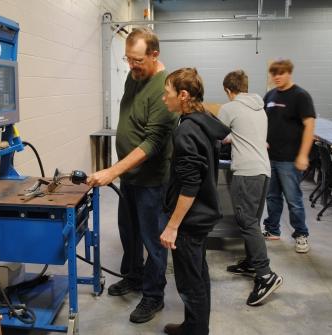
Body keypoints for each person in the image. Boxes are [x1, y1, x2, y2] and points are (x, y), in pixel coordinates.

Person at [87, 27, 178, 323]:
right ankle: (133, 276)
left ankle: (153, 296)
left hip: (152, 180)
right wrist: (121, 171)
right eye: (128, 59)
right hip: (130, 177)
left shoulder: (166, 88)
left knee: (153, 240)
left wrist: (112, 171)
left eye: (137, 60)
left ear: (154, 55)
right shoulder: (134, 76)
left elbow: (152, 143)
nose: (131, 66)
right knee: (129, 232)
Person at [160, 68, 230, 335]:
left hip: (190, 220)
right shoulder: (203, 119)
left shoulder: (187, 130)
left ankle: (197, 331)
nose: (164, 98)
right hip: (202, 214)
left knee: (190, 282)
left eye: (167, 93)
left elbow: (191, 184)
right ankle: (194, 325)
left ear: (184, 95)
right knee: (197, 275)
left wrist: (172, 225)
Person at [217, 70, 283, 306]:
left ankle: (265, 275)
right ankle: (250, 262)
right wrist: (233, 137)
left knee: (247, 222)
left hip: (246, 173)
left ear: (228, 90)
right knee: (252, 221)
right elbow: (247, 134)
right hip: (263, 170)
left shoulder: (230, 108)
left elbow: (216, 133)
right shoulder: (259, 108)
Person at [262, 59, 316, 253]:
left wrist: (303, 155)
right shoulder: (269, 95)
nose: (277, 77)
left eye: (281, 73)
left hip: (290, 159)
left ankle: (301, 234)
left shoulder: (300, 96)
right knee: (272, 197)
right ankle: (272, 229)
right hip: (270, 156)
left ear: (289, 73)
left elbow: (309, 125)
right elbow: (263, 121)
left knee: (293, 199)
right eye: (274, 73)